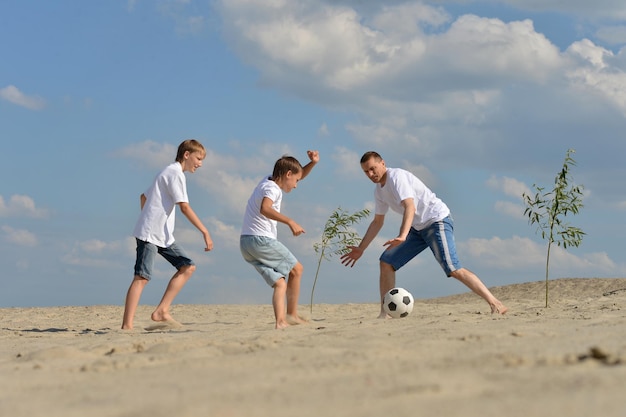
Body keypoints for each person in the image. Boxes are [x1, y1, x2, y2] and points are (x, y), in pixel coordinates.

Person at [340, 151, 507, 317]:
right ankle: (385, 314)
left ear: (382, 163)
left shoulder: (396, 177)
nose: (370, 174)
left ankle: (496, 303)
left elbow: (409, 206)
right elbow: (377, 222)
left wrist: (403, 235)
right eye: (366, 172)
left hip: (436, 221)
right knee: (386, 262)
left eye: (373, 168)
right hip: (417, 228)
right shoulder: (379, 191)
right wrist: (361, 249)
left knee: (453, 268)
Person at [121, 139, 214, 330]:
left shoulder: (167, 172)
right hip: (150, 234)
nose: (200, 164)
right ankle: (127, 326)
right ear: (186, 155)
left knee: (187, 267)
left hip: (162, 235)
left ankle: (161, 311)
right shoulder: (174, 173)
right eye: (198, 158)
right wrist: (205, 231)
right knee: (142, 277)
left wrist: (150, 217)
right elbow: (185, 208)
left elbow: (143, 197)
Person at [240, 151, 320, 329]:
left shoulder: (268, 180)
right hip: (261, 240)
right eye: (296, 181)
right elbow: (265, 208)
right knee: (297, 270)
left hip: (246, 243)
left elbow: (298, 174)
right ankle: (291, 315)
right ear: (287, 175)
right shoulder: (272, 189)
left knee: (280, 283)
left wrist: (312, 163)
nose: (296, 185)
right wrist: (290, 221)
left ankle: (280, 322)